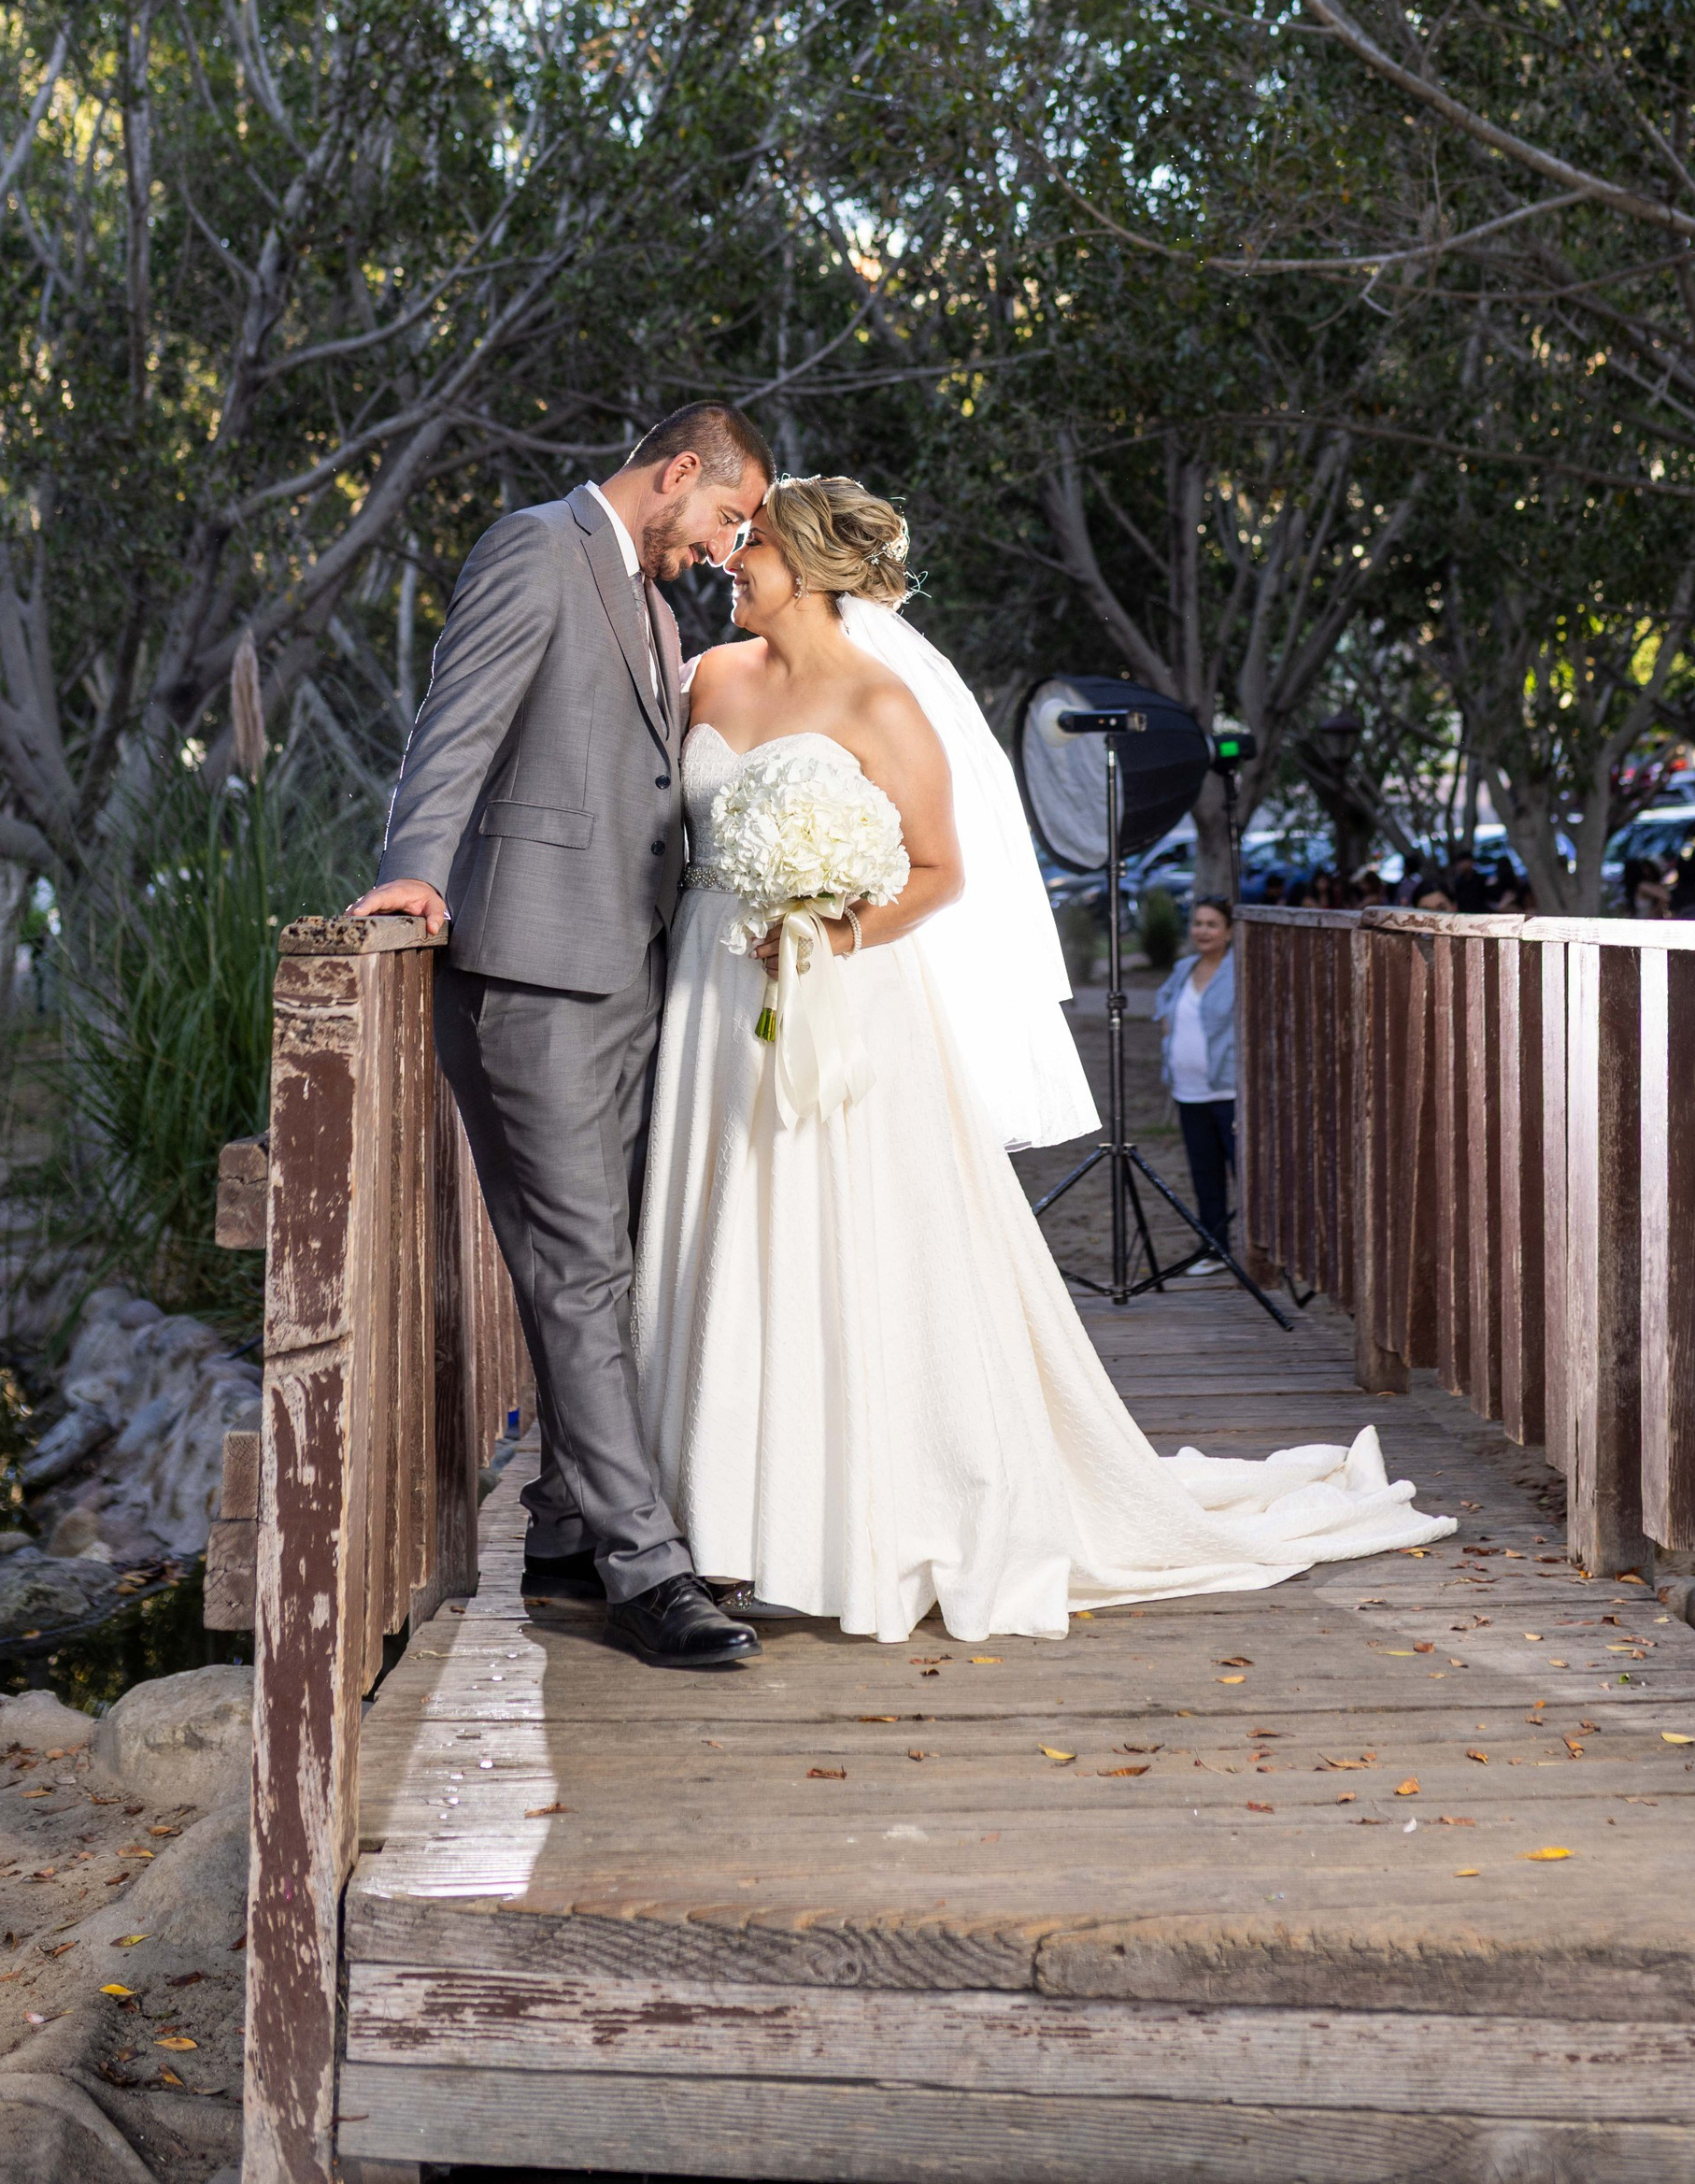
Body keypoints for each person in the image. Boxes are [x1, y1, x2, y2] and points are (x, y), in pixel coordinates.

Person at [633, 476, 1452, 1643]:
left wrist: (830, 927)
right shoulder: (709, 678)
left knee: (843, 1245)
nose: (731, 563)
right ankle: (714, 1516)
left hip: (844, 999)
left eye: (749, 546)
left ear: (806, 567)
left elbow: (938, 873)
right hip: (714, 998)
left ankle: (852, 1509)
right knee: (721, 1232)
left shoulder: (884, 702)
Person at [353, 399, 773, 1675]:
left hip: (628, 969)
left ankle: (557, 1523)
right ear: (678, 470)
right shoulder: (538, 546)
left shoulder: (652, 606)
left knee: (593, 1259)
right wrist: (415, 866)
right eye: (725, 517)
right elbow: (462, 716)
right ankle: (646, 1573)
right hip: (531, 969)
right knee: (584, 1264)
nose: (725, 545)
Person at [1156, 896, 1237, 1273]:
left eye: (1212, 924)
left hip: (1229, 1093)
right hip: (1188, 1092)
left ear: (1230, 931)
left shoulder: (1238, 970)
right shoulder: (1184, 968)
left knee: (1245, 1173)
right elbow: (1165, 1010)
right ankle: (1215, 1250)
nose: (1202, 931)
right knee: (1205, 1176)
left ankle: (1263, 1254)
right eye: (1198, 923)